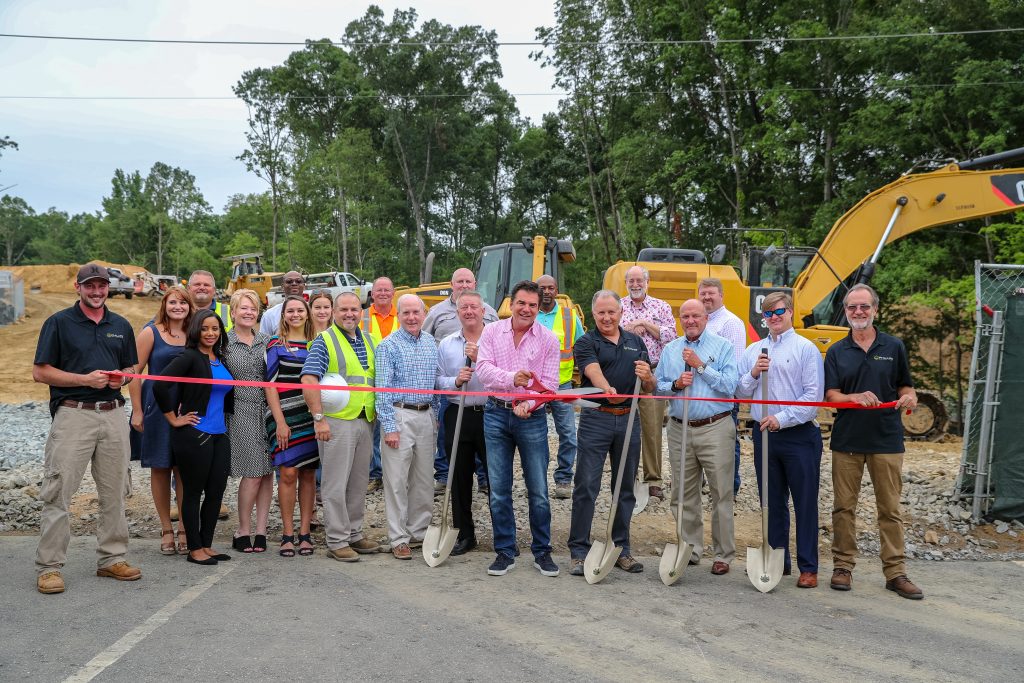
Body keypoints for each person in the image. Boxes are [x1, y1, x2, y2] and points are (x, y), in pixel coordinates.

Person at [32, 263, 141, 594]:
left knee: (115, 491)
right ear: (78, 288)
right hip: (73, 414)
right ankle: (49, 567)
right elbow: (41, 372)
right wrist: (83, 380)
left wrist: (124, 377)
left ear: (108, 288)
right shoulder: (59, 323)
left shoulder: (120, 325)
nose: (97, 292)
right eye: (89, 286)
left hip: (112, 415)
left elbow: (131, 366)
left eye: (102, 286)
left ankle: (112, 559)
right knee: (59, 490)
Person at [824, 284, 922, 599]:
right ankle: (842, 567)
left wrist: (908, 398)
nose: (858, 312)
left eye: (864, 307)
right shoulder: (837, 351)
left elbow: (907, 388)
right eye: (852, 307)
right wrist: (854, 397)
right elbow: (830, 396)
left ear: (875, 310)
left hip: (887, 440)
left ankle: (896, 573)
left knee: (890, 509)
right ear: (846, 311)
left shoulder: (894, 347)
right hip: (848, 440)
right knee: (843, 509)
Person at [736, 292, 824, 588]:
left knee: (804, 502)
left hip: (799, 436)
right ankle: (777, 560)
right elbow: (742, 392)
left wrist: (781, 418)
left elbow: (812, 399)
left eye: (779, 312)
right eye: (768, 314)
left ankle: (808, 567)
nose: (773, 318)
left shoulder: (805, 349)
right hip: (764, 437)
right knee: (771, 503)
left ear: (790, 312)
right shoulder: (754, 350)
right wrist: (753, 373)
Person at [476, 280, 561, 577]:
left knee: (538, 489)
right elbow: (483, 370)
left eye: (533, 305)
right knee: (499, 489)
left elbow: (549, 385)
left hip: (532, 419)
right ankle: (505, 550)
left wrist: (530, 404)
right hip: (495, 414)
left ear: (539, 308)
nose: (526, 309)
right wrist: (514, 379)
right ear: (511, 304)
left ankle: (542, 551)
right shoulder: (491, 332)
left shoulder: (549, 339)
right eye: (521, 303)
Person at [568, 290, 653, 576]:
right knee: (586, 486)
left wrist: (648, 377)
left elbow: (650, 387)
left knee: (624, 487)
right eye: (601, 312)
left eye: (611, 312)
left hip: (629, 419)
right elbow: (592, 370)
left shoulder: (636, 342)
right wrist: (606, 388)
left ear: (621, 313)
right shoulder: (586, 342)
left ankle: (621, 549)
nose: (606, 317)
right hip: (597, 418)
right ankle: (579, 551)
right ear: (594, 314)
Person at [655, 299, 738, 575]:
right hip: (680, 427)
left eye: (696, 316)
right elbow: (659, 389)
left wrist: (701, 366)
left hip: (715, 426)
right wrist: (676, 384)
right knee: (683, 492)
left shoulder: (723, 346)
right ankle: (690, 547)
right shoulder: (670, 349)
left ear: (706, 318)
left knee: (721, 492)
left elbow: (730, 386)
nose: (690, 320)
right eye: (685, 316)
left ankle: (723, 554)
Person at [301, 291, 381, 562]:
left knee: (358, 483)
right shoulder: (325, 341)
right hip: (336, 423)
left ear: (361, 312)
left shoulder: (369, 340)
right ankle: (337, 540)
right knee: (335, 484)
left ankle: (355, 533)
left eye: (354, 309)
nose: (350, 314)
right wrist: (319, 418)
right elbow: (309, 380)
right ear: (334, 313)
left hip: (364, 420)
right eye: (344, 309)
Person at [154, 308, 234, 566]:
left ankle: (206, 544)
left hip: (220, 434)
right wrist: (172, 418)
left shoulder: (220, 358)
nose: (210, 333)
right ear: (195, 331)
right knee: (192, 492)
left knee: (215, 492)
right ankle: (194, 548)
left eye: (215, 328)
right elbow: (160, 384)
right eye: (205, 328)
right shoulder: (189, 357)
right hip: (195, 433)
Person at [128, 285, 193, 556]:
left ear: (190, 307)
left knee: (185, 469)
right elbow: (134, 372)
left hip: (188, 407)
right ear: (164, 305)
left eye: (183, 303)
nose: (177, 307)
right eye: (172, 302)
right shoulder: (151, 332)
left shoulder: (195, 333)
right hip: (156, 407)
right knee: (161, 467)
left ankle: (185, 529)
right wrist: (137, 410)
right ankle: (166, 528)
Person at [375, 294, 439, 560]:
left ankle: (418, 532)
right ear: (398, 315)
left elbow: (435, 383)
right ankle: (398, 537)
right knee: (396, 480)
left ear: (424, 314)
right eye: (406, 313)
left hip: (425, 415)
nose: (412, 318)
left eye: (416, 312)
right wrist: (389, 426)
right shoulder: (388, 346)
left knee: (424, 479)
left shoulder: (431, 343)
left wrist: (434, 415)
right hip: (399, 415)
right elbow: (382, 389)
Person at [424, 268, 498, 493]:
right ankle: (446, 475)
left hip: (487, 399)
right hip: (453, 392)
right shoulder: (436, 312)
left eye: (468, 281)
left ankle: (486, 479)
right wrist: (453, 380)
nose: (464, 285)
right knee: (450, 442)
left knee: (488, 449)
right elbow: (426, 340)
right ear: (451, 284)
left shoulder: (491, 313)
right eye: (460, 282)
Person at [435, 290, 489, 555]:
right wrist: (455, 381)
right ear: (458, 313)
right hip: (458, 413)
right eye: (463, 307)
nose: (469, 311)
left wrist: (481, 359)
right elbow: (438, 381)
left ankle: (504, 534)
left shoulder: (495, 339)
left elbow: (504, 377)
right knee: (459, 478)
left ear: (483, 311)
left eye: (473, 307)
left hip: (490, 414)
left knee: (496, 477)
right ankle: (465, 535)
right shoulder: (446, 344)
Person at [265, 296, 319, 557]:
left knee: (308, 473)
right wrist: (280, 422)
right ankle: (287, 533)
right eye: (291, 311)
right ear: (283, 315)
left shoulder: (317, 343)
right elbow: (271, 385)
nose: (296, 314)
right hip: (285, 415)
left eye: (300, 310)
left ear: (307, 314)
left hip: (311, 416)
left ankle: (306, 533)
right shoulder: (276, 345)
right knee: (287, 473)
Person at [620, 265, 677, 499]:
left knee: (652, 429)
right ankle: (627, 476)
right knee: (624, 427)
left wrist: (645, 323)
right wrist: (630, 328)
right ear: (626, 283)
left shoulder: (660, 306)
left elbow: (671, 335)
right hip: (623, 374)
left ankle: (653, 480)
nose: (635, 285)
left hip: (651, 373)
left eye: (639, 280)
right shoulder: (619, 305)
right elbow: (610, 331)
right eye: (631, 281)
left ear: (647, 282)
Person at [222, 290, 273, 554]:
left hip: (267, 410)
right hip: (240, 409)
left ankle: (261, 530)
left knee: (267, 473)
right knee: (252, 472)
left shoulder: (267, 341)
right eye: (243, 308)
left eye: (253, 309)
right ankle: (243, 529)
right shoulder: (224, 342)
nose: (249, 313)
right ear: (232, 312)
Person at [536, 274, 585, 500]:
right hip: (534, 386)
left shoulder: (569, 316)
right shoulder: (528, 313)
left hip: (562, 385)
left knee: (568, 434)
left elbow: (582, 348)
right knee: (535, 436)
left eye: (551, 287)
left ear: (556, 290)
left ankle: (564, 478)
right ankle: (536, 480)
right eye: (542, 288)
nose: (546, 291)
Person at [699, 277, 747, 495]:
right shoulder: (700, 321)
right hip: (700, 396)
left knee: (726, 445)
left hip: (722, 397)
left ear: (721, 295)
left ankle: (729, 489)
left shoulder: (731, 323)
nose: (707, 297)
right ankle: (704, 484)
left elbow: (733, 368)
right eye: (703, 293)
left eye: (711, 293)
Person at [362, 277, 399, 494]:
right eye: (379, 290)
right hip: (372, 378)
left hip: (399, 380)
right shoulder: (363, 317)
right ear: (372, 294)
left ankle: (395, 474)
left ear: (393, 293)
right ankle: (375, 474)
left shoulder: (402, 315)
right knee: (374, 430)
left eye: (387, 289)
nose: (383, 293)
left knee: (398, 428)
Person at [260, 271, 306, 336]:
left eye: (298, 281)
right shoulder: (269, 315)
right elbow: (264, 342)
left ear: (304, 286)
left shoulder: (312, 311)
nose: (294, 284)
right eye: (289, 281)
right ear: (282, 286)